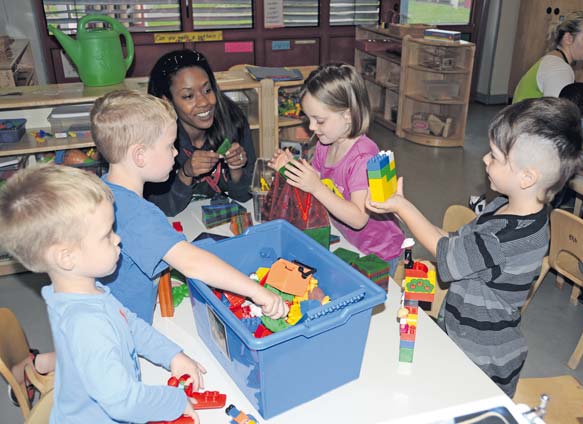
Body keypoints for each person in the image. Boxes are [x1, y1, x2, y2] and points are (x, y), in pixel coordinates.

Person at [367, 98, 583, 397]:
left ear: (527, 177)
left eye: (494, 157)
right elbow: (455, 242)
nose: (484, 159)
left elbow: (445, 252)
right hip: (461, 331)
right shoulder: (505, 208)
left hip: (482, 355)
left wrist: (403, 207)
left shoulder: (506, 238)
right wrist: (404, 211)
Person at [0, 165, 203, 423]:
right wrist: (174, 401)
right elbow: (124, 403)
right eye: (106, 235)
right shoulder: (86, 324)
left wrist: (171, 354)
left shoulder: (82, 290)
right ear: (67, 256)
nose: (117, 239)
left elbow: (127, 323)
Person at [91, 90, 287, 324]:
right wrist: (258, 292)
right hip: (122, 329)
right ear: (140, 155)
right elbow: (193, 262)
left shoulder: (102, 190)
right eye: (169, 146)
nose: (175, 153)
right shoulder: (138, 214)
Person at [268, 64, 404, 272]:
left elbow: (359, 218)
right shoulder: (325, 145)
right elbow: (317, 185)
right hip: (349, 241)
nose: (312, 127)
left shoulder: (364, 158)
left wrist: (316, 187)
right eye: (309, 119)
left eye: (319, 120)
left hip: (379, 253)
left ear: (348, 116)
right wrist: (291, 169)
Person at [146, 49, 255, 217]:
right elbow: (163, 208)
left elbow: (245, 196)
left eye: (207, 90)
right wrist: (185, 173)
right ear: (166, 101)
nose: (204, 102)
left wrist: (236, 169)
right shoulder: (155, 137)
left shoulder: (233, 121)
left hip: (223, 224)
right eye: (188, 96)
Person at [512, 11, 583, 145]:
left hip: (524, 132)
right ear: (568, 38)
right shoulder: (558, 68)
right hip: (527, 141)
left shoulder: (554, 60)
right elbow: (561, 118)